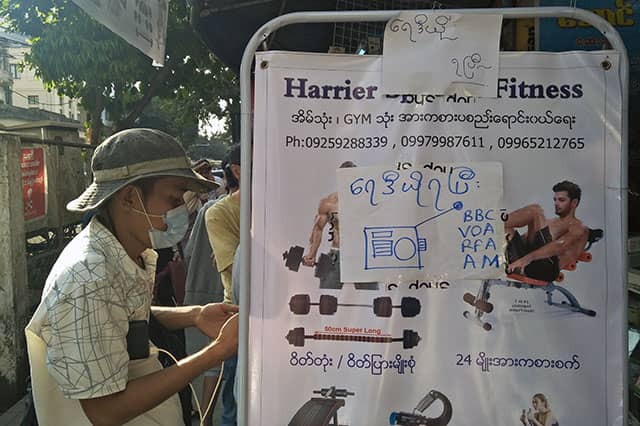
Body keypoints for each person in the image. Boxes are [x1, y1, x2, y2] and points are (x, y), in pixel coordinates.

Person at [24, 128, 238, 426]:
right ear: (129, 198)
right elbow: (105, 411)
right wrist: (217, 351)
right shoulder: (90, 277)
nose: (180, 210)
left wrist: (194, 315)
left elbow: (118, 317)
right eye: (174, 197)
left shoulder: (125, 253)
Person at [205, 144, 242, 425]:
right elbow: (234, 268)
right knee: (235, 404)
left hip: (285, 318)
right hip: (239, 319)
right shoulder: (219, 213)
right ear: (238, 171)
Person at [302, 161, 378, 289]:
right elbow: (318, 228)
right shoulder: (329, 203)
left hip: (361, 255)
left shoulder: (368, 200)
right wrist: (312, 254)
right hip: (337, 255)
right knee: (326, 297)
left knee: (372, 298)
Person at [505, 180, 590, 282]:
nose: (556, 203)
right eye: (555, 200)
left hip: (545, 270)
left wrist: (525, 260)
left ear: (574, 202)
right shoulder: (550, 223)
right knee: (507, 229)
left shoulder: (580, 228)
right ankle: (492, 223)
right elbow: (524, 242)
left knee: (535, 211)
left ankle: (493, 220)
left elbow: (560, 246)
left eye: (561, 200)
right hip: (523, 264)